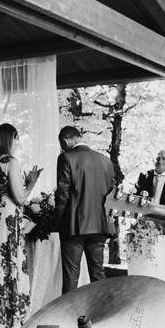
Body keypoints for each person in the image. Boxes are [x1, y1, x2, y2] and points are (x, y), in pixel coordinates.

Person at [0, 124, 40, 328]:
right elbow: (20, 198)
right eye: (16, 138)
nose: (17, 143)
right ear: (8, 140)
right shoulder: (10, 162)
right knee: (9, 261)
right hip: (9, 218)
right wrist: (31, 183)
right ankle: (12, 315)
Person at [53, 126, 116, 294]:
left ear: (65, 142)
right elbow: (112, 196)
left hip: (74, 226)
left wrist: (56, 224)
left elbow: (62, 196)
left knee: (71, 277)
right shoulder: (106, 160)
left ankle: (69, 317)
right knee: (98, 273)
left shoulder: (66, 158)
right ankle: (102, 314)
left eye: (62, 145)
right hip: (101, 226)